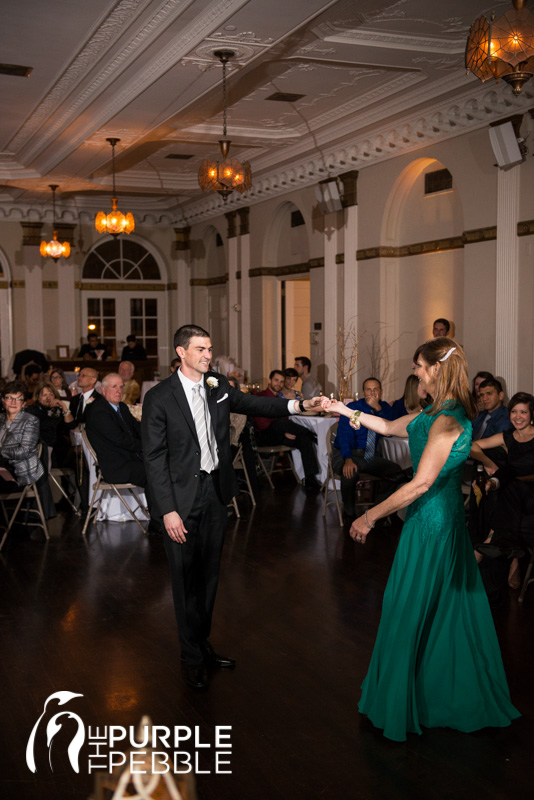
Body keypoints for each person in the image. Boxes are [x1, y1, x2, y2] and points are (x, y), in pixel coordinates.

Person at [327, 337, 520, 742]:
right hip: (430, 519)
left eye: (418, 366)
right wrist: (342, 410)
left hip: (433, 525)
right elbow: (390, 426)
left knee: (412, 604)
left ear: (436, 369)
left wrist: (369, 515)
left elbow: (421, 484)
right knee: (436, 606)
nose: (414, 372)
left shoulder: (450, 422)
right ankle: (428, 686)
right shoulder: (433, 412)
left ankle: (430, 696)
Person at [141, 325, 324, 691]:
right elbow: (154, 458)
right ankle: (190, 654)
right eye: (200, 349)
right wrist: (167, 511)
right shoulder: (160, 397)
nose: (208, 355)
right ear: (181, 352)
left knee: (209, 576)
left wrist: (299, 405)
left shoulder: (218, 386)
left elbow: (257, 404)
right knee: (184, 579)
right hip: (179, 501)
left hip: (214, 491)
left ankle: (202, 644)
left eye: (210, 348)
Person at [470, 392, 534, 601]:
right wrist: (489, 465)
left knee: (507, 485)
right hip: (514, 494)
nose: (518, 416)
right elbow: (473, 446)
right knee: (501, 489)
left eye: (523, 412)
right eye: (514, 411)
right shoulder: (507, 436)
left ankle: (489, 539)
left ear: (531, 415)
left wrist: (499, 479)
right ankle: (512, 557)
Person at [332, 377, 401, 523]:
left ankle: (376, 513)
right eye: (369, 389)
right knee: (350, 473)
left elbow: (393, 427)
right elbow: (344, 436)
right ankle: (349, 515)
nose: (372, 393)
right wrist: (348, 459)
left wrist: (378, 410)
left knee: (396, 472)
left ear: (381, 392)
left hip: (369, 456)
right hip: (346, 452)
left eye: (376, 389)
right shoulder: (353, 407)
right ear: (363, 392)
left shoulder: (384, 408)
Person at [252, 369, 321, 490]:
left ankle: (310, 478)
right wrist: (283, 433)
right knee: (280, 422)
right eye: (276, 380)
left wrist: (285, 433)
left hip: (279, 435)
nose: (278, 383)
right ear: (270, 380)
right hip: (263, 436)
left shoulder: (279, 399)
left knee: (304, 440)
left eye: (281, 381)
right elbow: (262, 424)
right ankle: (310, 433)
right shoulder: (260, 396)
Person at [0, 381, 55, 521]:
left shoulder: (30, 421)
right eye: (9, 397)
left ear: (24, 403)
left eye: (18, 399)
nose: (13, 402)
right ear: (3, 400)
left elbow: (24, 451)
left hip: (19, 473)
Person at [26, 382, 75, 467]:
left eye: (51, 394)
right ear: (38, 397)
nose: (48, 398)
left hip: (58, 447)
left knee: (75, 451)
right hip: (40, 447)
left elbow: (71, 425)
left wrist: (63, 406)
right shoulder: (32, 410)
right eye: (44, 395)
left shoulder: (58, 410)